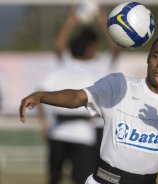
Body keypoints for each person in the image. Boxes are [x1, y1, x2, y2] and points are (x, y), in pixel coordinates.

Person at [20, 34, 158, 184]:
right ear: (148, 58)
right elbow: (78, 97)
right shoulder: (119, 85)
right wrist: (42, 96)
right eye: (156, 56)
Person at [37, 2, 120, 184]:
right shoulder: (67, 63)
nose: (97, 49)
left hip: (85, 131)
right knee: (54, 178)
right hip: (58, 130)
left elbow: (116, 48)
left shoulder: (99, 65)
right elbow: (58, 46)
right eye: (95, 46)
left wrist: (102, 21)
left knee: (83, 178)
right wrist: (71, 20)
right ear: (89, 46)